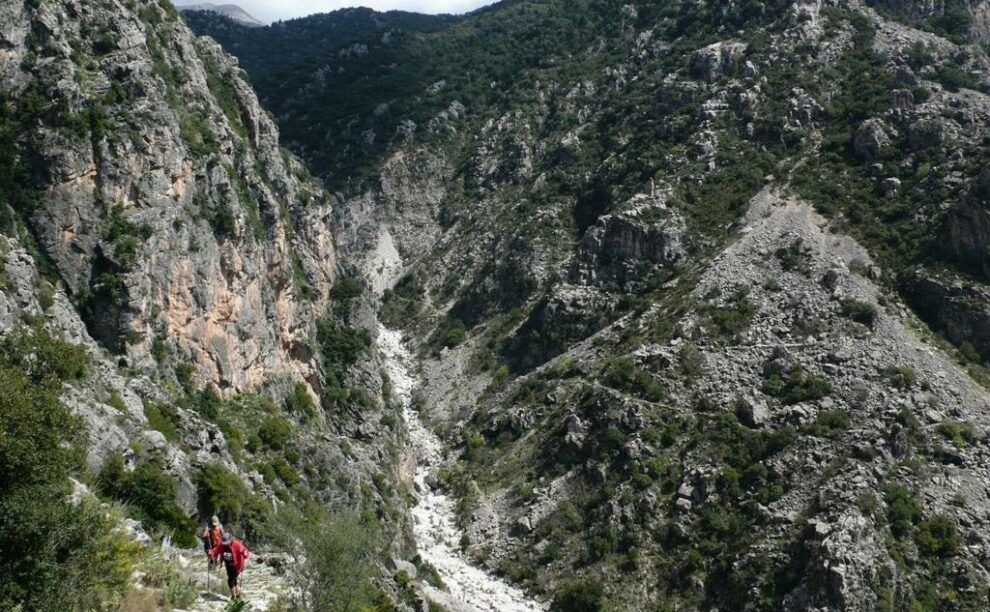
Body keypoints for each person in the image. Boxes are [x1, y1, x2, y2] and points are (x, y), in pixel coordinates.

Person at [209, 531, 250, 600]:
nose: (225, 544)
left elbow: (244, 550)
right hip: (228, 565)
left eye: (227, 542)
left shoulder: (237, 544)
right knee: (234, 581)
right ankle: (238, 595)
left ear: (231, 540)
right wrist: (211, 553)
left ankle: (233, 597)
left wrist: (245, 554)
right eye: (224, 543)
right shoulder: (222, 545)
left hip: (237, 566)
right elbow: (216, 550)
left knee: (230, 581)